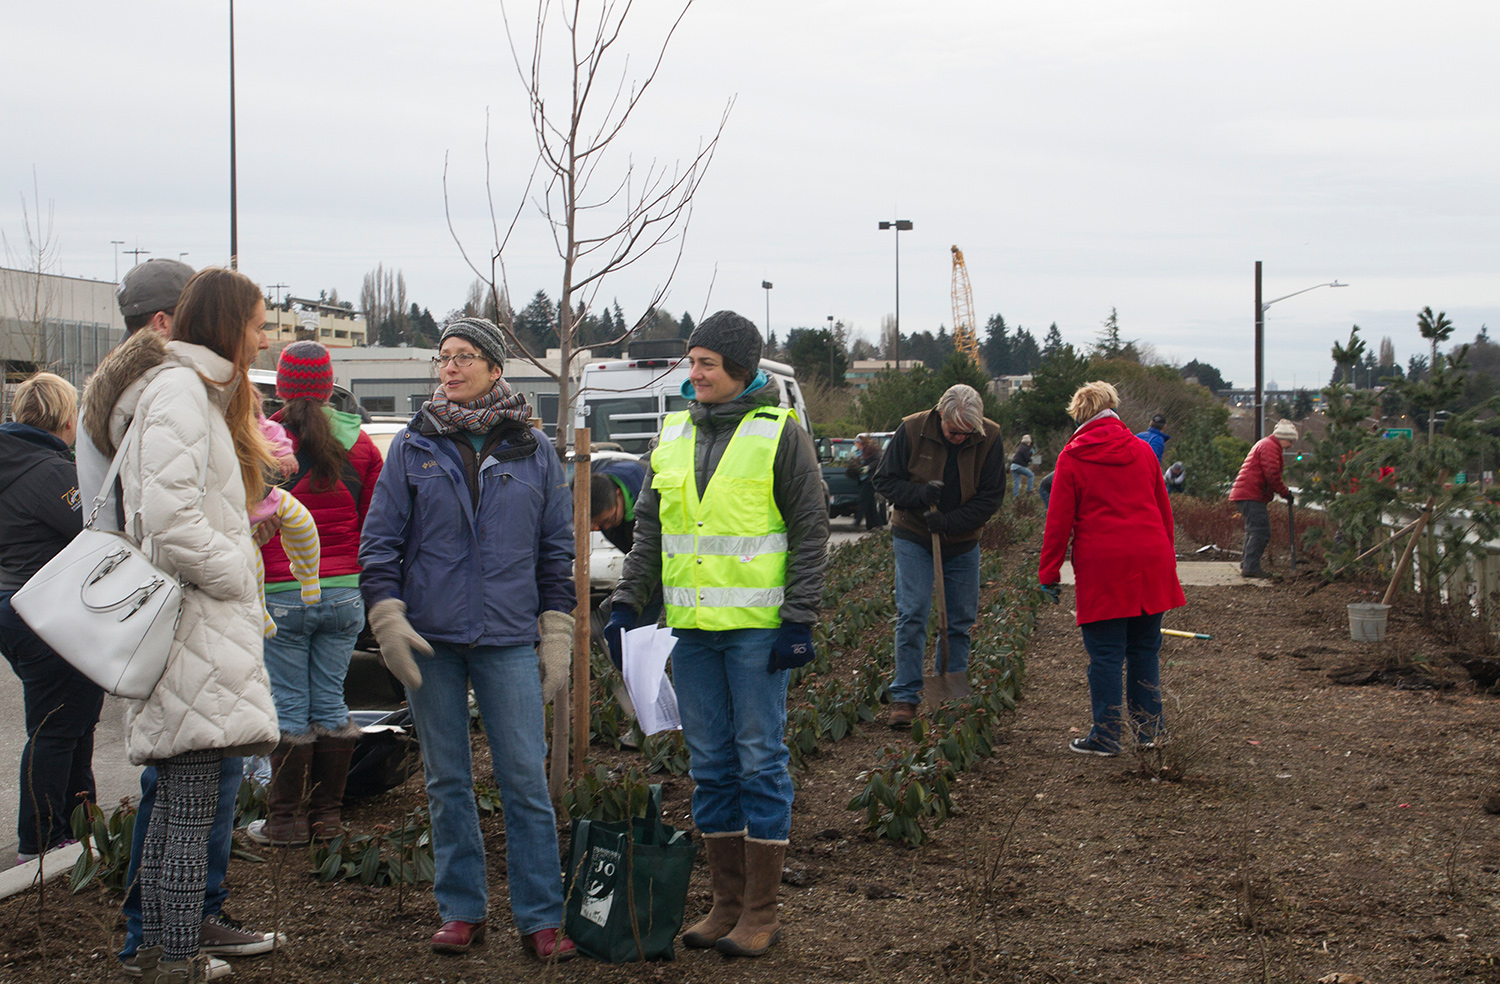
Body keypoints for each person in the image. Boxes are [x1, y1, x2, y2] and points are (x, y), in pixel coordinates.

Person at [79, 260, 284, 973]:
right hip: (192, 624)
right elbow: (165, 518)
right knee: (188, 808)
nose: (265, 340)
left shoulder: (188, 391)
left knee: (181, 803)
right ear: (231, 325)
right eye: (259, 326)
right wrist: (232, 573)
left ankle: (163, 950)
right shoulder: (181, 392)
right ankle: (170, 955)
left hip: (196, 625)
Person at [605, 310, 828, 958]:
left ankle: (761, 910)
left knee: (760, 759)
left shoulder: (779, 434)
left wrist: (800, 620)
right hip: (694, 632)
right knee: (710, 767)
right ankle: (725, 903)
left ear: (741, 369)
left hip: (758, 633)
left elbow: (811, 531)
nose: (693, 373)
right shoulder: (671, 434)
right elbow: (651, 531)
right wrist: (625, 604)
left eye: (706, 363)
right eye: (692, 360)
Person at [359, 317, 578, 961]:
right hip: (432, 640)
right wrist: (388, 617)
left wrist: (557, 629)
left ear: (495, 367)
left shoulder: (533, 450)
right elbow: (381, 543)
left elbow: (554, 549)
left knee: (524, 781)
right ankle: (462, 910)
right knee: (446, 778)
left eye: (463, 357)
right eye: (443, 357)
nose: (449, 368)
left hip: (509, 637)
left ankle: (540, 917)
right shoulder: (413, 445)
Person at [247, 342, 383, 848]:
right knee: (331, 699)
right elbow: (376, 526)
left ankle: (285, 822)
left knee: (287, 704)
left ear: (281, 385)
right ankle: (327, 818)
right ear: (329, 385)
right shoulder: (364, 447)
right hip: (346, 594)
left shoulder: (264, 441)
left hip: (282, 590)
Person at [1039, 382, 1185, 756]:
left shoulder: (1072, 457)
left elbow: (1058, 523)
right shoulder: (1142, 450)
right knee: (1144, 649)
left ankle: (1106, 735)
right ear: (1114, 408)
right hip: (1150, 559)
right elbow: (1163, 511)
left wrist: (1049, 574)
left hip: (1104, 565)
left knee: (1105, 655)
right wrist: (1166, 559)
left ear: (1080, 415)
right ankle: (1150, 731)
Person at [0, 373, 98, 865]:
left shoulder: (10, 461)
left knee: (71, 721)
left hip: (12, 608)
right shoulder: (52, 473)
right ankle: (41, 843)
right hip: (48, 612)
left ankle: (79, 829)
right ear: (67, 420)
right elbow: (100, 528)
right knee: (60, 728)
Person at [872, 384, 1005, 728]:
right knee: (913, 613)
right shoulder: (913, 428)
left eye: (966, 433)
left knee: (959, 622)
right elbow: (884, 480)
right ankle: (905, 696)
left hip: (961, 540)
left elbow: (990, 497)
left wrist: (949, 521)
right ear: (940, 415)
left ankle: (948, 698)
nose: (959, 437)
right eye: (952, 431)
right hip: (914, 534)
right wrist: (918, 494)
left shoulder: (989, 437)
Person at [1230, 419, 1297, 578]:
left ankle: (1247, 563)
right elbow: (1272, 475)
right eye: (1291, 441)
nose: (1291, 446)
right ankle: (1251, 567)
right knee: (1261, 531)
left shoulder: (1267, 444)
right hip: (1252, 494)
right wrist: (1284, 492)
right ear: (1284, 437)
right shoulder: (1270, 447)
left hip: (1247, 493)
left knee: (1253, 530)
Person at [589, 456, 646, 555]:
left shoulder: (649, 494)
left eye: (609, 519)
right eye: (600, 524)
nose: (606, 527)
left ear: (618, 494)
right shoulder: (597, 484)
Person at [854, 433, 886, 530]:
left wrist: (868, 467)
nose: (856, 446)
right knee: (870, 504)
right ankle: (874, 524)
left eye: (857, 443)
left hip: (870, 480)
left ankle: (857, 522)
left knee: (863, 501)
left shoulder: (871, 451)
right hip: (864, 480)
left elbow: (877, 461)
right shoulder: (860, 452)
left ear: (860, 443)